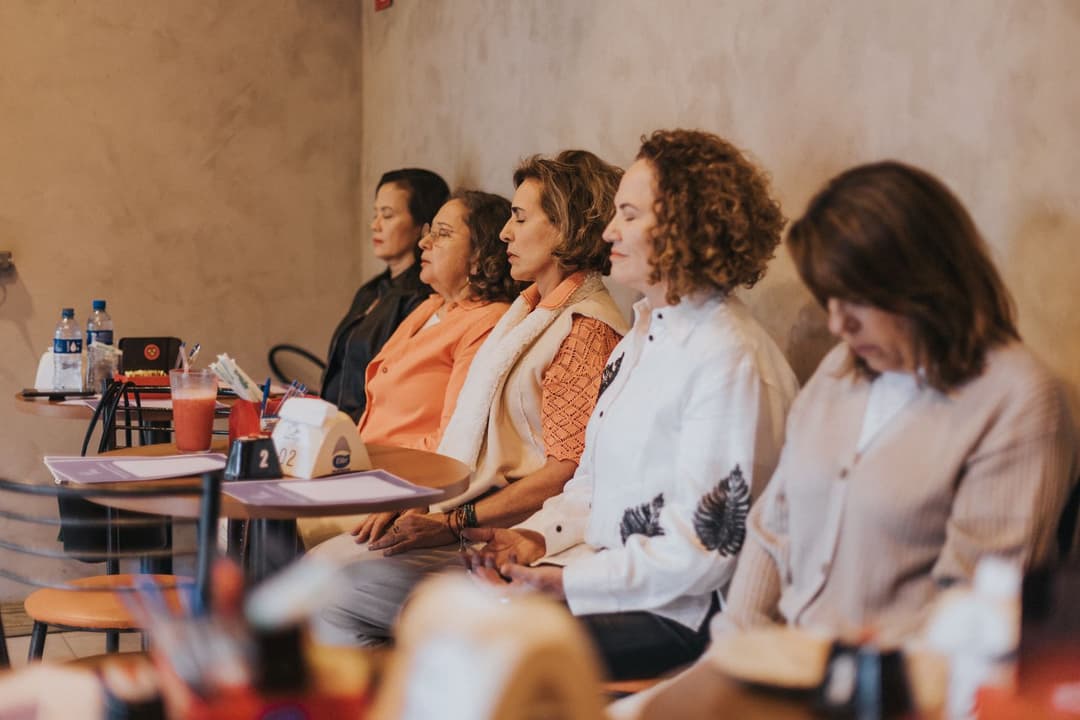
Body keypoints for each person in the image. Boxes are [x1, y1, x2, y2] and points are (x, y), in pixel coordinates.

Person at [463, 129, 799, 680]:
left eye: (630, 214)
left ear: (686, 226)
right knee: (447, 616)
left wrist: (566, 583)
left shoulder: (727, 358)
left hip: (683, 613)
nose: (610, 231)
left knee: (489, 653)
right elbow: (591, 485)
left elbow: (705, 551)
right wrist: (535, 538)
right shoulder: (638, 339)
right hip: (607, 575)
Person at [714, 160, 1079, 644]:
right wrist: (735, 648)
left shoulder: (1016, 399)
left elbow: (972, 604)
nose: (839, 326)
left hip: (894, 686)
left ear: (921, 284)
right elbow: (772, 527)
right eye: (830, 301)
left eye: (856, 301)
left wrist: (827, 670)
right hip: (786, 663)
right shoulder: (841, 369)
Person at [314, 150, 629, 645]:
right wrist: (428, 508)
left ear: (566, 228)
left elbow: (567, 469)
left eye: (520, 218)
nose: (505, 232)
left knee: (336, 585)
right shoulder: (526, 313)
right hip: (473, 514)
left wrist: (451, 519)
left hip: (523, 532)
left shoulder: (584, 330)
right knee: (323, 567)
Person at [299, 190, 522, 549]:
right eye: (429, 232)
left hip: (403, 484)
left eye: (443, 234)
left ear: (481, 256)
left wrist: (375, 474)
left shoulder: (487, 320)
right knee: (240, 512)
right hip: (362, 471)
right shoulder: (431, 306)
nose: (425, 243)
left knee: (282, 526)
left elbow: (455, 435)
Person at [320, 168, 449, 421]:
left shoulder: (425, 298)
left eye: (387, 216)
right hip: (335, 425)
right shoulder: (372, 290)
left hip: (369, 431)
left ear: (423, 227)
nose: (375, 225)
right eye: (375, 214)